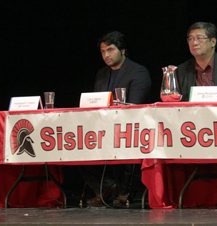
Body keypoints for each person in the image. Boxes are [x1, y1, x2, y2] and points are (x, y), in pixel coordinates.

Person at [81, 31, 152, 208]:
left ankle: (123, 191)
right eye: (103, 51)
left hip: (130, 129)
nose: (106, 55)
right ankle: (107, 188)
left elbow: (135, 106)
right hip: (102, 129)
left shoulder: (138, 72)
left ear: (123, 50)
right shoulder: (101, 74)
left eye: (110, 50)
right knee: (75, 147)